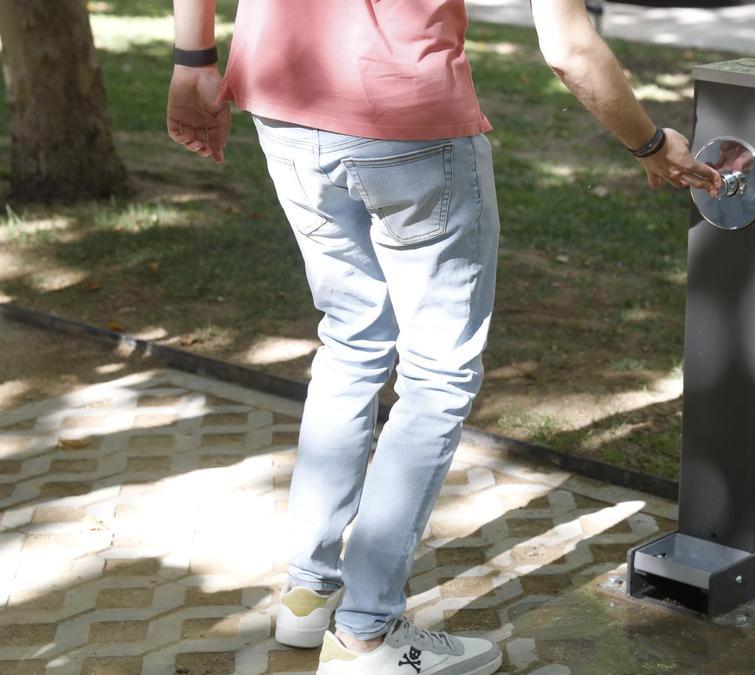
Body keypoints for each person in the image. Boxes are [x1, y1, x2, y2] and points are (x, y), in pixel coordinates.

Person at [168, 1, 720, 673]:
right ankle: (367, 633)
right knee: (437, 373)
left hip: (283, 98)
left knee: (351, 340)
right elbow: (567, 47)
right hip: (409, 121)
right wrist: (651, 143)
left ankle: (310, 595)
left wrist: (192, 59)